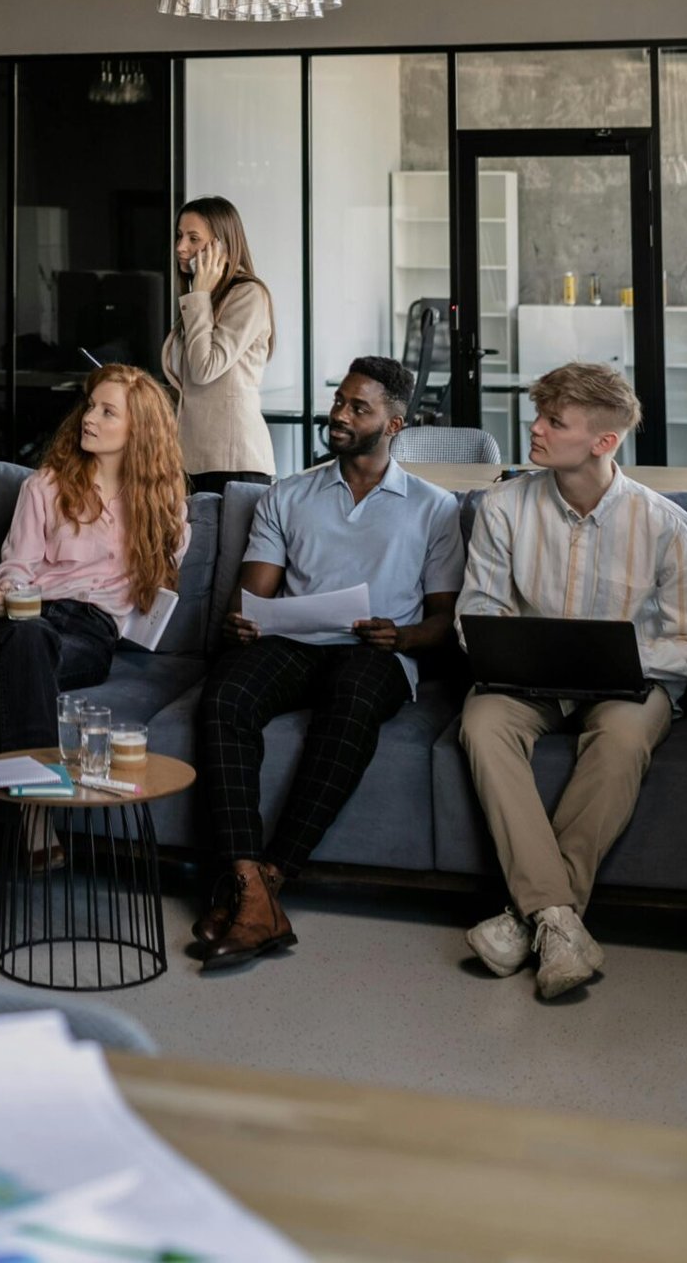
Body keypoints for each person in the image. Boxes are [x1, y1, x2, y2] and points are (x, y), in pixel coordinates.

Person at [192, 356, 464, 973]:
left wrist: (403, 635)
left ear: (393, 425)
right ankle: (248, 884)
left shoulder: (434, 508)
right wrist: (245, 617)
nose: (338, 415)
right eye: (340, 401)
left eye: (357, 408)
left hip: (379, 652)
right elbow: (253, 594)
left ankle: (270, 879)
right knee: (225, 695)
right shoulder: (287, 495)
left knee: (352, 696)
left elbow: (446, 623)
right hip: (294, 642)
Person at [457, 362, 687, 1002]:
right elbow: (477, 616)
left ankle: (532, 919)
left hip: (628, 687)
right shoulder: (502, 506)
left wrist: (625, 657)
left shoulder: (667, 526)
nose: (535, 429)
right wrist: (520, 648)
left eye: (554, 421)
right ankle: (561, 924)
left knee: (625, 740)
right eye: (539, 414)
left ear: (604, 442)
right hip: (527, 683)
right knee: (481, 722)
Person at [0, 365, 190, 913]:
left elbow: (153, 594)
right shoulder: (44, 486)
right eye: (90, 406)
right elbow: (15, 565)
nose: (89, 417)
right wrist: (6, 594)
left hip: (90, 631)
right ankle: (38, 814)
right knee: (27, 636)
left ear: (140, 429)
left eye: (107, 412)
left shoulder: (167, 506)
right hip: (20, 614)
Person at [162, 195, 275, 491]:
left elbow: (204, 368)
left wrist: (198, 295)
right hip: (190, 458)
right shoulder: (204, 300)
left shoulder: (248, 294)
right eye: (179, 236)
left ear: (221, 245)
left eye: (193, 238)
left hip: (233, 463)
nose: (180, 247)